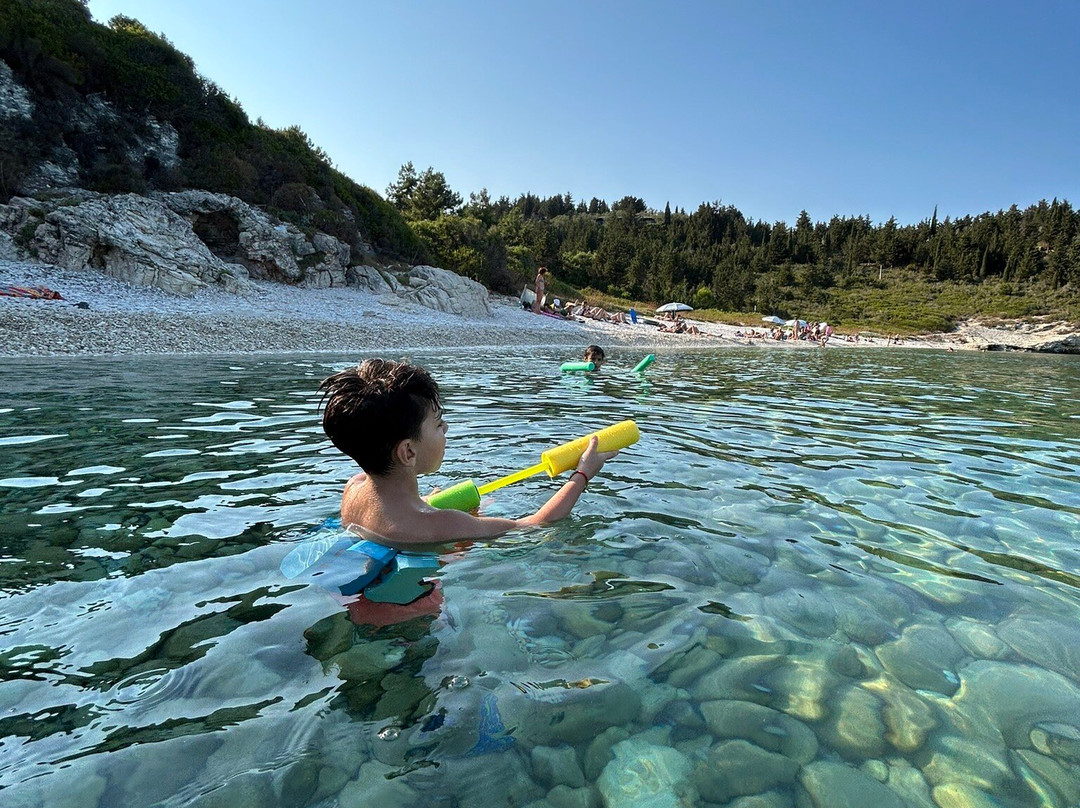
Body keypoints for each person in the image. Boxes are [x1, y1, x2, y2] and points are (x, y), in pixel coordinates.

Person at [321, 359, 617, 547]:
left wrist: (426, 503)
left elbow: (394, 509)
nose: (446, 428)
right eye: (438, 424)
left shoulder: (353, 490)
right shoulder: (441, 524)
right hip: (417, 610)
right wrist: (582, 474)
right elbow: (534, 525)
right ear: (408, 452)